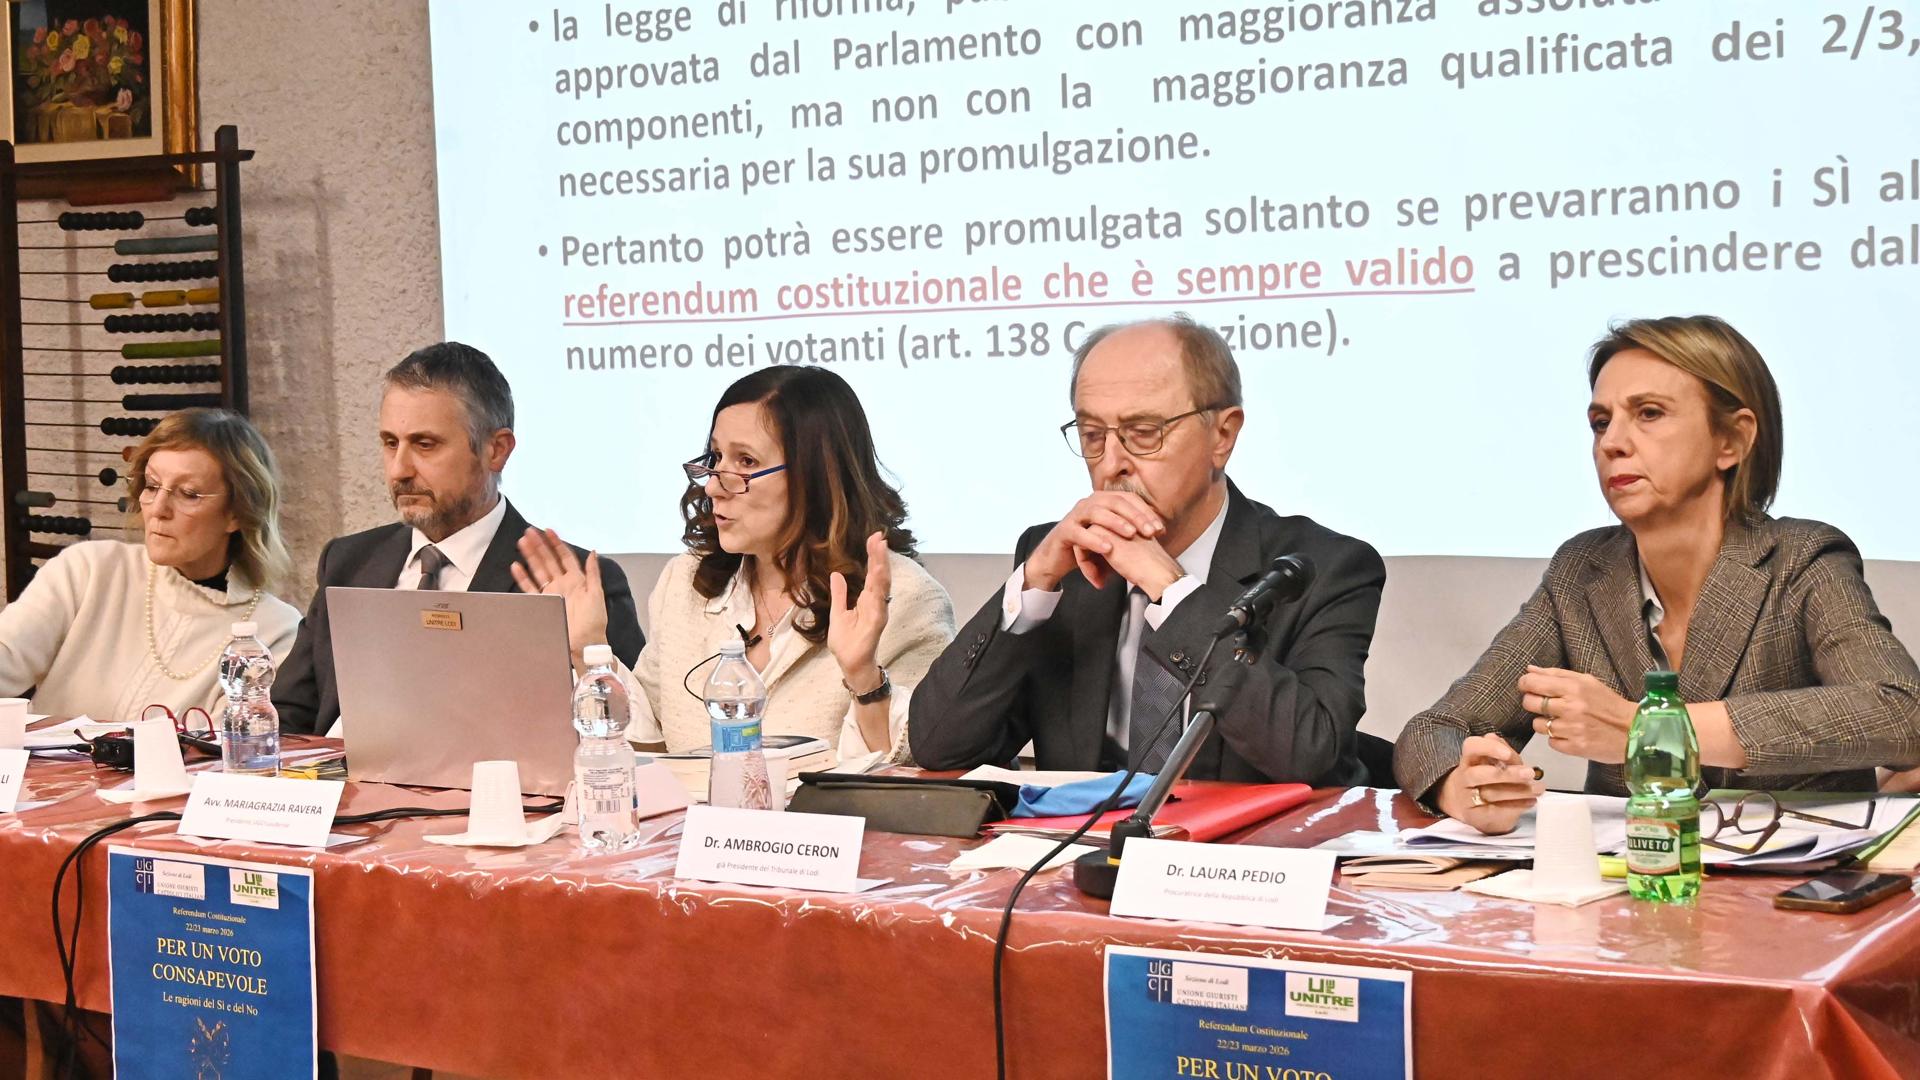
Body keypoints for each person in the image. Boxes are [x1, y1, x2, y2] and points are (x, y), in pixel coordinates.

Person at [1394, 315, 1920, 834]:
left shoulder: (1799, 559)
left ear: (1732, 441)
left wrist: (1647, 728)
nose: (1612, 443)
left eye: (1649, 413)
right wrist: (1464, 786)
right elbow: (1436, 729)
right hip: (1627, 877)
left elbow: (1903, 712)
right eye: (1601, 422)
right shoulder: (1583, 571)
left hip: (1791, 876)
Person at [907, 315, 1385, 784]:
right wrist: (1033, 583)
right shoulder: (1061, 563)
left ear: (1223, 435)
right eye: (1093, 436)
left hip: (1253, 839)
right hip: (1086, 834)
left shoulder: (1322, 568)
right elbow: (940, 747)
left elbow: (1312, 755)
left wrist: (1171, 590)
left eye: (1143, 433)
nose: (1112, 463)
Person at [514, 365, 954, 760]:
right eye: (716, 458)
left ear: (817, 475)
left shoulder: (907, 600)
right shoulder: (686, 582)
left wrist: (863, 678)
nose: (714, 487)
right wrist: (589, 653)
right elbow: (650, 745)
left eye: (745, 462)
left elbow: (918, 773)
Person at [273, 342, 643, 736]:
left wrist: (585, 652)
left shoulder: (578, 585)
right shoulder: (348, 562)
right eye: (390, 443)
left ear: (496, 450)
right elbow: (284, 722)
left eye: (425, 445)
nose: (399, 470)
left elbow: (634, 744)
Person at [0, 408, 299, 722]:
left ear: (237, 513)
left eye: (188, 494)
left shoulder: (275, 631)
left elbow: (232, 746)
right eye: (152, 485)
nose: (158, 509)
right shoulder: (88, 569)